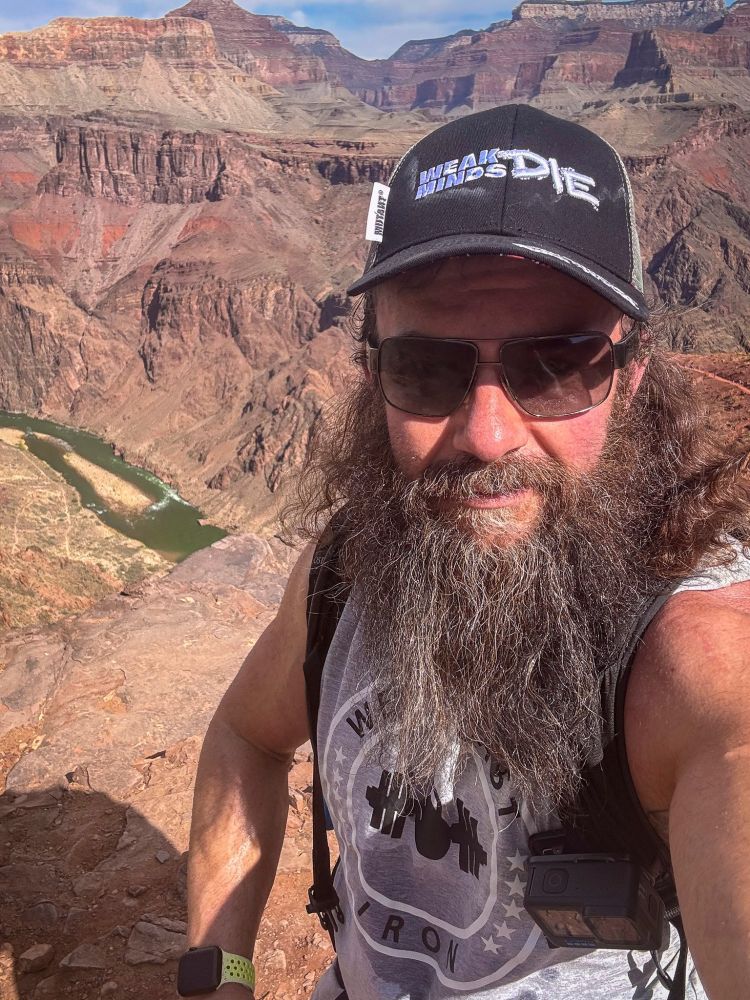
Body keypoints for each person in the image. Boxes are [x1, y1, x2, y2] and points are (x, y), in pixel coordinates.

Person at [180, 105, 750, 999]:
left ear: (631, 376)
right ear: (374, 378)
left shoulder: (692, 655)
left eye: (557, 364)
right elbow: (245, 739)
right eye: (427, 369)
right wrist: (225, 972)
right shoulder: (346, 574)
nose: (487, 434)